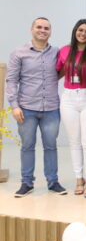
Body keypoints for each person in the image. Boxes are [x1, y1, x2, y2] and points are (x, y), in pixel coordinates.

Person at [6, 17, 67, 197]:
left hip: (51, 108)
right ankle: (26, 183)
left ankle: (53, 182)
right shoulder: (19, 53)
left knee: (51, 146)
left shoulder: (56, 52)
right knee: (27, 146)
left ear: (50, 31)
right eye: (39, 27)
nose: (42, 30)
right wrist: (14, 106)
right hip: (26, 109)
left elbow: (63, 69)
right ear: (31, 29)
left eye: (46, 28)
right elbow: (11, 81)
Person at [56, 19, 86, 198]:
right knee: (74, 142)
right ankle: (78, 179)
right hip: (69, 99)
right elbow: (57, 73)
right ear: (75, 31)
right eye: (80, 30)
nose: (83, 34)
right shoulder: (64, 51)